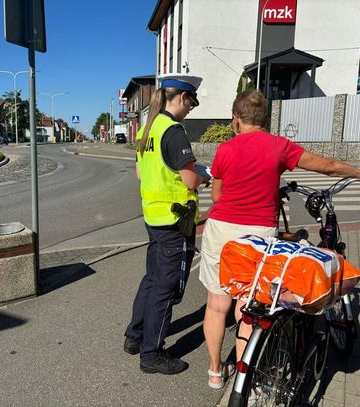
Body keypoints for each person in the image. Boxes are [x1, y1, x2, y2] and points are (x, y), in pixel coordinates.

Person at [200, 89, 360, 389]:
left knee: (217, 304)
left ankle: (215, 372)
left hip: (221, 229)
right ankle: (247, 382)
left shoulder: (225, 149)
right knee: (249, 308)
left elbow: (218, 193)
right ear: (266, 119)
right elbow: (328, 167)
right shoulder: (279, 146)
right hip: (257, 234)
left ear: (236, 120)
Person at [124, 73, 211, 375]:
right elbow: (188, 179)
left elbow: (140, 174)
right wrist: (204, 176)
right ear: (183, 98)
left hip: (153, 217)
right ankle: (151, 353)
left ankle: (134, 337)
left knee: (151, 279)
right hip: (174, 221)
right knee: (165, 287)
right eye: (191, 104)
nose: (190, 110)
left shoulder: (148, 129)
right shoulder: (174, 132)